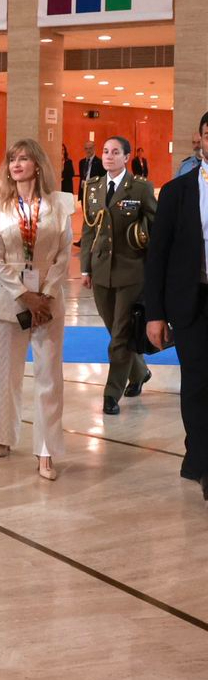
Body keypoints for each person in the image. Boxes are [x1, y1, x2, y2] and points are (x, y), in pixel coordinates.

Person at [0, 139, 73, 481]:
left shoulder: (61, 204)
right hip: (9, 302)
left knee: (49, 377)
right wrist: (25, 295)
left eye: (24, 158)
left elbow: (64, 255)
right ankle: (4, 437)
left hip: (49, 304)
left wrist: (45, 295)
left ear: (37, 165)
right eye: (12, 160)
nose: (17, 164)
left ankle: (46, 452)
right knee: (6, 375)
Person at [146, 110, 208, 495]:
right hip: (192, 301)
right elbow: (157, 257)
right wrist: (155, 314)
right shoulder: (176, 192)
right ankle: (202, 463)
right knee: (198, 384)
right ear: (200, 139)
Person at [80, 136, 156, 415]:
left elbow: (155, 224)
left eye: (115, 152)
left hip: (131, 270)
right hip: (101, 271)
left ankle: (111, 394)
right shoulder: (93, 188)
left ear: (126, 157)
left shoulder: (140, 187)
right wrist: (85, 268)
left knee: (120, 335)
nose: (109, 156)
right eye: (105, 152)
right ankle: (139, 372)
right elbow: (89, 230)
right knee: (114, 329)